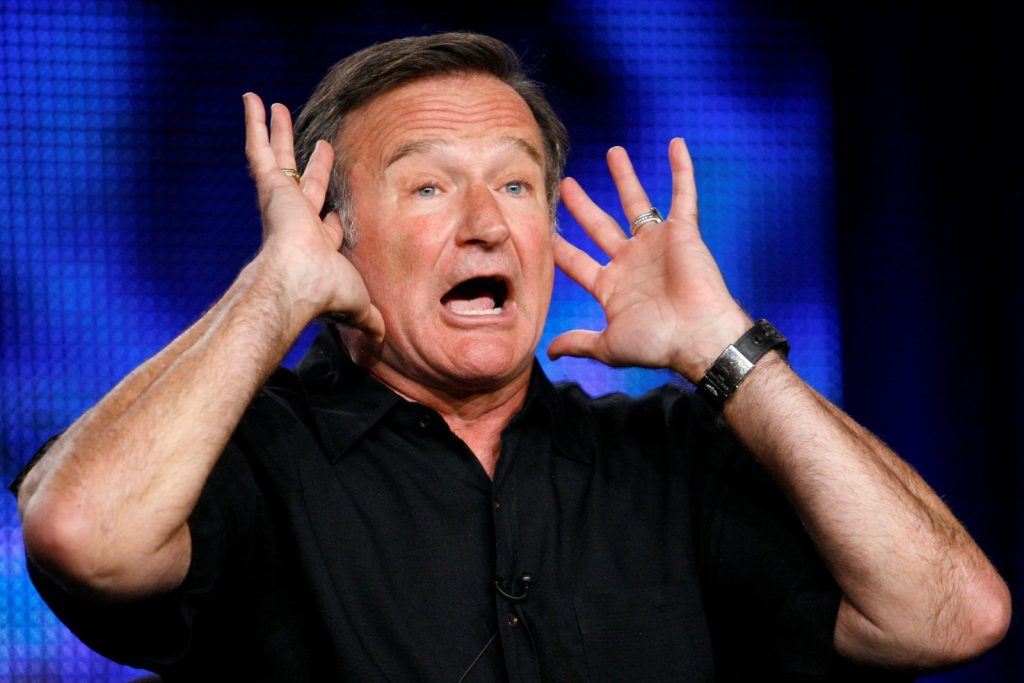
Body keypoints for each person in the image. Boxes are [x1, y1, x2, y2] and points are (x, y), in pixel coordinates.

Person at [11, 33, 1010, 681]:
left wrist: (729, 351)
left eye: (517, 185)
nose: (487, 224)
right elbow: (79, 531)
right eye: (429, 187)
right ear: (331, 231)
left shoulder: (669, 456)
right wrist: (273, 292)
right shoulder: (252, 458)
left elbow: (951, 615)